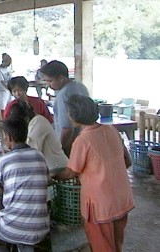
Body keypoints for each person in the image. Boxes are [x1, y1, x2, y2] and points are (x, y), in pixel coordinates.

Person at [52, 95, 134, 252]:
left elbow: (70, 173)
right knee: (116, 243)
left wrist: (53, 174)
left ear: (75, 115)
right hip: (122, 198)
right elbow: (127, 162)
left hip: (100, 204)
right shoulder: (112, 130)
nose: (68, 115)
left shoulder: (83, 140)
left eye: (69, 112)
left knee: (102, 246)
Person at [0, 117, 50, 251]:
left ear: (9, 138)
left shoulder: (3, 160)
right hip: (41, 228)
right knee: (21, 227)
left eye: (4, 136)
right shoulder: (39, 156)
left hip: (13, 228)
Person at [40, 60, 89, 156]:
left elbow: (67, 128)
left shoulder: (63, 95)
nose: (48, 85)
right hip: (84, 141)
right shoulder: (80, 86)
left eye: (50, 81)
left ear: (61, 78)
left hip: (70, 145)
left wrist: (60, 150)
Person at [8, 101, 67, 171]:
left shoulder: (38, 122)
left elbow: (29, 154)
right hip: (50, 169)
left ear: (25, 119)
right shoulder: (34, 122)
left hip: (57, 170)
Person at [0, 53, 13, 119]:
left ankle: (8, 118)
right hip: (3, 90)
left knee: (9, 105)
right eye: (8, 63)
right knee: (3, 107)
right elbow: (2, 82)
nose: (9, 65)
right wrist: (9, 88)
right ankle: (4, 119)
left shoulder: (8, 68)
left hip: (9, 90)